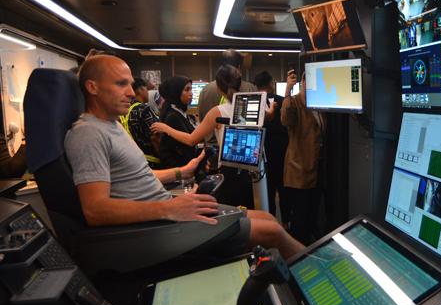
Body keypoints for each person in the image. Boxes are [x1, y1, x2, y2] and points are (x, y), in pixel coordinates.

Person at [64, 55, 303, 259]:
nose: (131, 92)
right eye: (120, 84)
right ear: (92, 87)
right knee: (272, 232)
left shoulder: (112, 125)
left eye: (130, 84)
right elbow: (95, 210)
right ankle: (319, 274)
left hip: (167, 210)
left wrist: (181, 172)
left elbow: (138, 177)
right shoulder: (88, 133)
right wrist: (168, 208)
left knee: (268, 218)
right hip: (159, 226)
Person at [151, 65, 254, 208]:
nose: (190, 93)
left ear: (218, 87)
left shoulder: (217, 111)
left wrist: (165, 128)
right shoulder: (248, 106)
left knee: (231, 210)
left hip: (229, 168)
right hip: (249, 167)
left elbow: (191, 139)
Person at [281, 68, 325, 245]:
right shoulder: (294, 102)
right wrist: (287, 91)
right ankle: (298, 251)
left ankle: (309, 247)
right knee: (300, 219)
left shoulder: (319, 104)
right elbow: (286, 120)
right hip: (298, 170)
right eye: (309, 81)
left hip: (316, 170)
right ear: (303, 82)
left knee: (312, 214)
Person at [254, 71, 289, 226]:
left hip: (263, 153)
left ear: (256, 86)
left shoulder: (254, 102)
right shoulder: (281, 101)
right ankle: (286, 221)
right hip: (282, 151)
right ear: (271, 84)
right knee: (283, 189)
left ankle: (270, 222)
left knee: (267, 190)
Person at [198, 49, 257, 122]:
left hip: (209, 128)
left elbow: (201, 117)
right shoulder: (250, 88)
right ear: (239, 67)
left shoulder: (206, 90)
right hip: (243, 129)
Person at [120, 77, 161, 168]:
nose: (148, 93)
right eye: (146, 89)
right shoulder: (143, 109)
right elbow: (155, 137)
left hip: (132, 161)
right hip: (151, 162)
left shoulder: (123, 112)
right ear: (140, 89)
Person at [158, 76, 196, 168]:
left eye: (191, 89)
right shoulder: (173, 116)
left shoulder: (179, 111)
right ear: (176, 92)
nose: (191, 93)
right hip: (178, 169)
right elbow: (190, 141)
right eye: (187, 90)